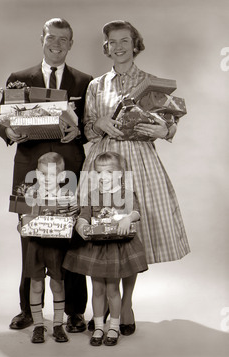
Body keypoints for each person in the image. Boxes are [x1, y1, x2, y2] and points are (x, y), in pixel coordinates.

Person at [81, 20, 190, 335]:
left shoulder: (152, 82)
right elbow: (87, 129)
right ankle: (99, 307)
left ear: (135, 43)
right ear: (106, 47)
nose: (118, 47)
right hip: (102, 161)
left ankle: (125, 303)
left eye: (124, 40)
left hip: (138, 159)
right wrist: (98, 122)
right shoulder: (95, 86)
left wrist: (162, 130)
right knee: (99, 226)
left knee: (129, 232)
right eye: (112, 42)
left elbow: (169, 125)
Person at [0, 18, 93, 332]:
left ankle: (76, 312)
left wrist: (79, 131)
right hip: (29, 169)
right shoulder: (18, 78)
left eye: (64, 39)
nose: (57, 43)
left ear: (70, 44)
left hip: (70, 169)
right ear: (42, 38)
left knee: (74, 237)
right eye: (52, 37)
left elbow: (90, 126)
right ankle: (27, 310)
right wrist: (9, 129)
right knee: (30, 236)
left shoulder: (85, 81)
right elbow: (0, 119)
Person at [63, 152, 148, 346]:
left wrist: (128, 218)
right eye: (99, 173)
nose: (103, 177)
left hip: (116, 249)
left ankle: (114, 326)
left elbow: (136, 211)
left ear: (119, 174)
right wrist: (81, 226)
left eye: (109, 172)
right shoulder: (92, 195)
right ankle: (99, 325)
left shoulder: (126, 193)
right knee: (97, 289)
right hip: (97, 249)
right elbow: (83, 215)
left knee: (112, 289)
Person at [20, 152, 77, 343]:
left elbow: (74, 219)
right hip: (36, 245)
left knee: (57, 283)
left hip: (56, 246)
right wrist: (22, 227)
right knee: (36, 284)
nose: (46, 179)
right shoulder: (30, 194)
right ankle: (38, 325)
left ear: (61, 176)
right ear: (36, 173)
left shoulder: (68, 196)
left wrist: (69, 217)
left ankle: (58, 324)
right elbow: (22, 220)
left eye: (51, 175)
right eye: (42, 174)